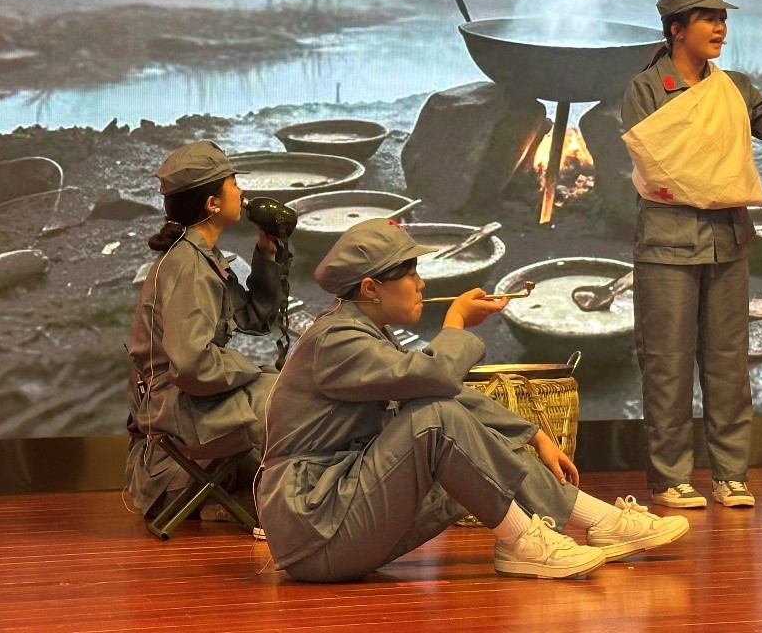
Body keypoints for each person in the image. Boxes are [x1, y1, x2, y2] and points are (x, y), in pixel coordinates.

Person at [255, 218, 690, 582]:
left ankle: (598, 524)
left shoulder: (363, 333)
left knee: (465, 436)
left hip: (334, 514)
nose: (422, 283)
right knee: (435, 420)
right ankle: (523, 540)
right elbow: (437, 380)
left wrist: (533, 434)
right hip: (314, 527)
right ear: (371, 288)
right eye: (411, 274)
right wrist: (456, 324)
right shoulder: (336, 340)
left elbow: (446, 390)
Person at [621, 0, 762, 510]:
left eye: (723, 18)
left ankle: (730, 474)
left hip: (728, 241)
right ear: (677, 29)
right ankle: (670, 478)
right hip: (667, 246)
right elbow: (663, 165)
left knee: (728, 362)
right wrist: (717, 176)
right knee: (667, 362)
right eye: (708, 18)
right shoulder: (646, 89)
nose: (721, 27)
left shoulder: (734, 88)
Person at [125, 140, 283, 522]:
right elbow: (193, 365)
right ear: (213, 203)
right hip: (176, 414)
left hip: (189, 401)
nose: (241, 193)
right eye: (234, 184)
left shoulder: (201, 257)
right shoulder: (189, 268)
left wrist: (267, 253)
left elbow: (255, 317)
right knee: (291, 399)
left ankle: (258, 501)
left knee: (287, 390)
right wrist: (253, 372)